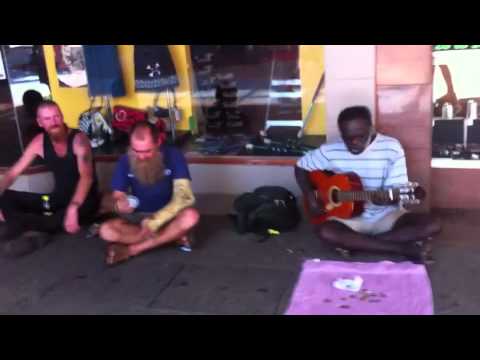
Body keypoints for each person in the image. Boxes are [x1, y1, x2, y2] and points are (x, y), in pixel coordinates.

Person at [295, 106, 441, 263]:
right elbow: (301, 166)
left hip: (386, 216)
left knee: (431, 224)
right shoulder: (330, 150)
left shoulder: (391, 148)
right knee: (325, 231)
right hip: (346, 220)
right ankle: (402, 248)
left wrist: (388, 199)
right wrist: (310, 196)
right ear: (341, 133)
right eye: (347, 138)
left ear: (371, 129)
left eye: (360, 136)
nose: (353, 143)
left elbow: (397, 188)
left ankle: (356, 244)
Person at [0, 100, 99, 257]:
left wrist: (73, 207)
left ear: (62, 116)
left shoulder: (79, 140)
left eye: (56, 116)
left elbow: (86, 178)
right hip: (56, 200)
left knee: (50, 219)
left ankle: (26, 230)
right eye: (47, 119)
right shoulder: (39, 142)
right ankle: (31, 230)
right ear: (40, 122)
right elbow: (13, 172)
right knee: (7, 196)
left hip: (84, 202)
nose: (54, 122)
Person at [99, 121, 200, 265]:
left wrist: (155, 221)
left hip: (167, 216)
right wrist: (118, 204)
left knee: (191, 216)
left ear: (158, 142)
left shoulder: (174, 155)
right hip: (137, 219)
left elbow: (184, 197)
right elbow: (115, 196)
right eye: (136, 151)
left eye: (147, 151)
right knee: (106, 231)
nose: (141, 157)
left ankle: (133, 249)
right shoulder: (125, 160)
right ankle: (171, 237)